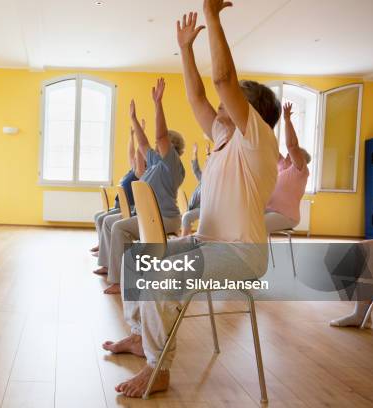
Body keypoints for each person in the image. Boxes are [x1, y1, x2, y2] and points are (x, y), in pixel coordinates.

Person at [104, 4, 281, 398]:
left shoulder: (258, 141)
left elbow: (221, 80)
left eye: (228, 106)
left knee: (162, 278)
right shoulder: (223, 140)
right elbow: (200, 95)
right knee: (136, 257)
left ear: (251, 112)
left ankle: (158, 366)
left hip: (239, 253)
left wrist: (213, 19)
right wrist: (184, 49)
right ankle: (141, 337)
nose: (217, 111)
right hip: (206, 242)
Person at [95, 78, 185, 294]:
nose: (155, 146)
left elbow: (160, 136)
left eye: (161, 145)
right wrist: (133, 120)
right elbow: (144, 144)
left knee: (119, 227)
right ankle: (110, 266)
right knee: (110, 222)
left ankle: (119, 281)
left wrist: (158, 104)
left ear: (172, 149)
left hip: (165, 218)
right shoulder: (155, 162)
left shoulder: (172, 165)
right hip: (149, 216)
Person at [91, 125, 145, 257]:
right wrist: (132, 136)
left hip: (127, 208)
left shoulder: (140, 173)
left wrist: (140, 133)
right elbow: (131, 153)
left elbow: (139, 151)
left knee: (103, 218)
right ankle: (103, 246)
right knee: (98, 217)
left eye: (138, 159)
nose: (134, 159)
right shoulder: (132, 170)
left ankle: (105, 251)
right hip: (120, 206)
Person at [265, 102, 311, 232]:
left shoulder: (300, 171)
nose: (288, 154)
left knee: (252, 227)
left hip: (286, 216)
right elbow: (270, 145)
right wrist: (267, 124)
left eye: (294, 155)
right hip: (269, 210)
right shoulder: (282, 166)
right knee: (241, 218)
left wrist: (287, 120)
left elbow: (292, 146)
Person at [181, 142, 210, 236]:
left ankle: (184, 239)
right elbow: (195, 168)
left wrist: (208, 154)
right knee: (186, 217)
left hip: (206, 209)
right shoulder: (203, 178)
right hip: (197, 207)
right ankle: (187, 237)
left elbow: (210, 162)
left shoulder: (213, 182)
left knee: (186, 217)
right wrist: (195, 152)